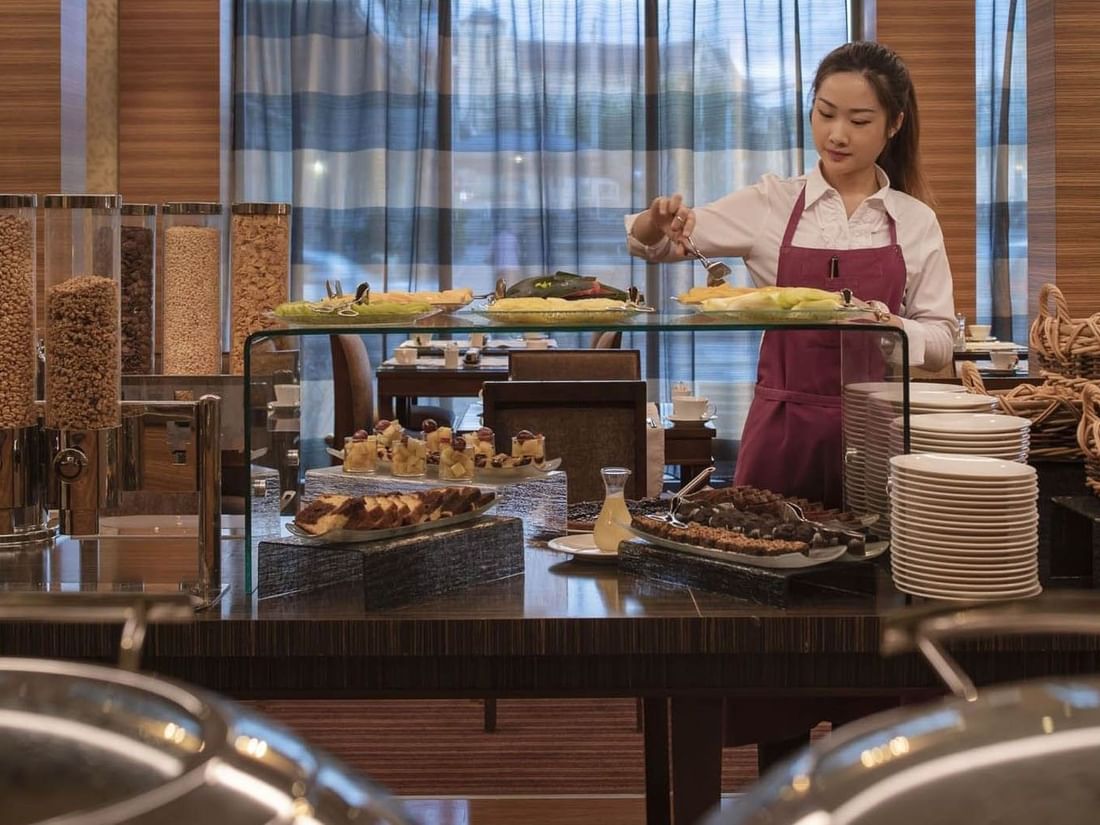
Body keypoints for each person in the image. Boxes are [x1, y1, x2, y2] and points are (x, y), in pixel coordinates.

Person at [625, 40, 955, 507]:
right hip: (781, 429)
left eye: (859, 121)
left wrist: (890, 328)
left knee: (870, 569)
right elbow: (653, 245)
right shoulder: (771, 203)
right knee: (763, 550)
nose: (837, 134)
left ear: (894, 124)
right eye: (825, 113)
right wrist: (655, 220)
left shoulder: (915, 220)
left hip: (877, 435)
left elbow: (942, 342)